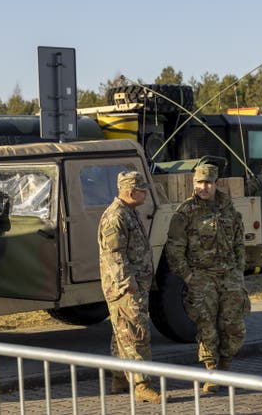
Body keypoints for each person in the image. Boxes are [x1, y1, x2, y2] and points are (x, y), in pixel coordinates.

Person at [165, 163, 250, 393]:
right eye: (200, 183)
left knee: (234, 326)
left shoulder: (228, 208)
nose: (204, 187)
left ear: (216, 183)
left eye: (208, 183)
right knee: (207, 326)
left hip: (229, 275)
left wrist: (239, 270)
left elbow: (239, 242)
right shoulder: (185, 213)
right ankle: (212, 372)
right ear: (194, 183)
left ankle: (225, 366)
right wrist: (189, 276)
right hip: (201, 277)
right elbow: (174, 249)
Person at [97, 170, 162, 404]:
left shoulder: (128, 212)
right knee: (136, 334)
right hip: (126, 288)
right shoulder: (116, 217)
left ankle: (120, 379)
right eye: (143, 191)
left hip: (134, 285)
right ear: (131, 192)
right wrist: (128, 283)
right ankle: (142, 384)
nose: (146, 195)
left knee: (122, 332)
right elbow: (114, 255)